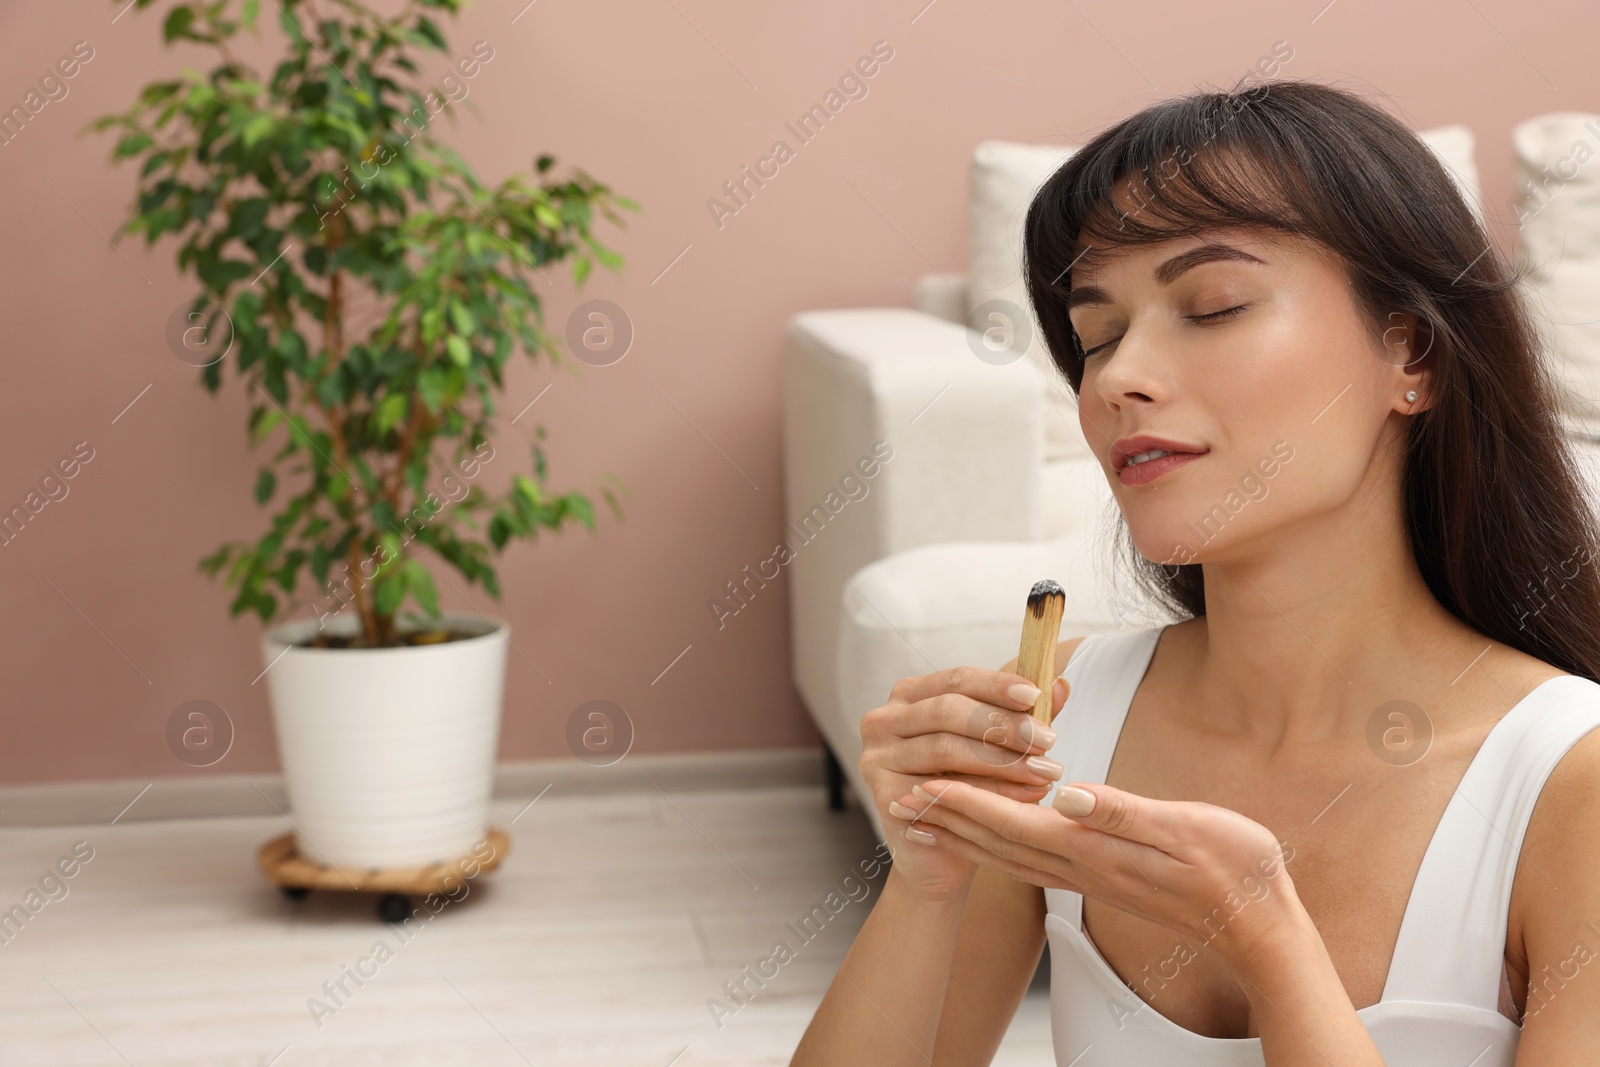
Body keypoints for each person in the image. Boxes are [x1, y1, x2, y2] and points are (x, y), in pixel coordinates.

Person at [790, 77, 1600, 1066]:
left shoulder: (1569, 784)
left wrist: (1267, 939)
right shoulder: (1063, 714)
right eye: (1095, 336)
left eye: (1210, 306)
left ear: (1413, 354)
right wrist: (925, 879)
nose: (1119, 376)